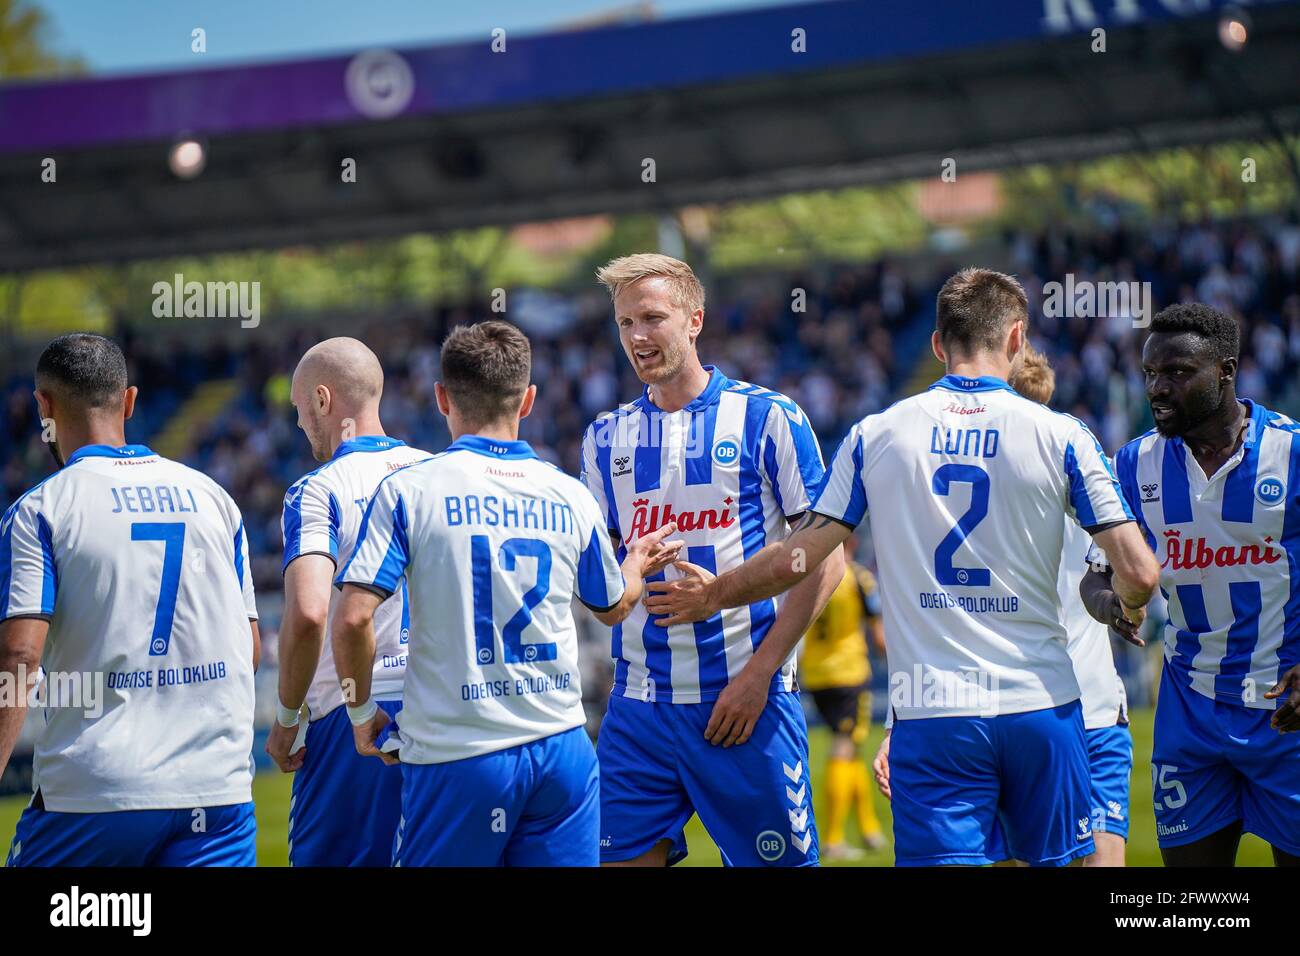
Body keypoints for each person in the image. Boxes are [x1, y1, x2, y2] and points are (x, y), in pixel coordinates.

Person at [647, 268, 1159, 867]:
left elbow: (801, 555)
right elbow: (1141, 572)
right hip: (1040, 706)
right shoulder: (1062, 434)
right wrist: (1123, 601)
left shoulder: (877, 434)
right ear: (1017, 338)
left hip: (933, 714)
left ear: (938, 344)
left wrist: (719, 593)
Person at [332, 321, 681, 866]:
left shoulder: (409, 490)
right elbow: (615, 607)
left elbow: (353, 619)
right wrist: (634, 562)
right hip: (561, 747)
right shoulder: (569, 494)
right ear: (528, 400)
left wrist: (359, 713)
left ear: (442, 397)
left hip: (459, 753)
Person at [582, 253, 843, 867]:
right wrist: (622, 578)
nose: (637, 337)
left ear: (694, 320)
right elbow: (604, 592)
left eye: (653, 317)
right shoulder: (604, 438)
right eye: (624, 323)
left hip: (746, 702)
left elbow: (826, 557)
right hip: (639, 708)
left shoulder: (767, 417)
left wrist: (758, 676)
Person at [1, 333, 260, 866]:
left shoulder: (40, 510)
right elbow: (249, 646)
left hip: (96, 792)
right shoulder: (214, 498)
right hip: (217, 792)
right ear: (130, 401)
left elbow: (21, 656)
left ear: (43, 407)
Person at [872, 344, 1134, 867]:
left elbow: (935, 618)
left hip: (992, 706)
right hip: (1086, 703)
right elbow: (1132, 582)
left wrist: (898, 723)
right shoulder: (1087, 473)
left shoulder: (942, 493)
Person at [1081, 303, 1300, 867]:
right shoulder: (1132, 465)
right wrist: (1111, 605)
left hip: (1286, 712)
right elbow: (1095, 574)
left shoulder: (1293, 453)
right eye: (1150, 373)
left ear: (1226, 371)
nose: (1158, 388)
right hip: (1190, 713)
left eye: (1177, 373)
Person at [264, 337, 433, 866]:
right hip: (448, 703)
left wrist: (288, 715)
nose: (298, 424)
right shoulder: (439, 472)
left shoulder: (317, 490)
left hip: (356, 714)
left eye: (298, 409)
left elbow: (311, 613)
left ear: (321, 400)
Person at [800, 532, 886, 859]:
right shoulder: (858, 577)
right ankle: (833, 839)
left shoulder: (809, 576)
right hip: (849, 674)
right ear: (850, 545)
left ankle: (868, 829)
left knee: (851, 749)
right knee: (844, 748)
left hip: (816, 674)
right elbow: (878, 636)